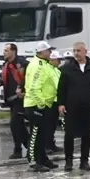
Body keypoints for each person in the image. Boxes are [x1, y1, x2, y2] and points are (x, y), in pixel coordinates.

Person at [56, 41, 90, 171]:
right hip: (71, 106)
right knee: (69, 134)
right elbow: (61, 88)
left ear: (85, 51)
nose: (76, 53)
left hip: (87, 106)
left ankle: (84, 161)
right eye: (74, 51)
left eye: (78, 51)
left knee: (86, 134)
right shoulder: (67, 68)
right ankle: (69, 161)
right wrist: (61, 103)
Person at [23, 42, 60, 171]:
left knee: (41, 135)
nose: (50, 53)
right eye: (48, 50)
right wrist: (41, 104)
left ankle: (43, 159)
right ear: (42, 52)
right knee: (35, 134)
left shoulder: (44, 64)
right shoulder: (37, 65)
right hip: (35, 105)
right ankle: (33, 162)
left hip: (42, 104)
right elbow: (33, 88)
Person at [1, 44, 28, 159]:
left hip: (21, 99)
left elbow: (28, 78)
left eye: (6, 50)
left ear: (13, 51)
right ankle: (32, 147)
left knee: (14, 124)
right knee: (19, 125)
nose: (4, 53)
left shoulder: (22, 63)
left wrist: (22, 88)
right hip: (11, 99)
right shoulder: (6, 65)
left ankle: (18, 150)